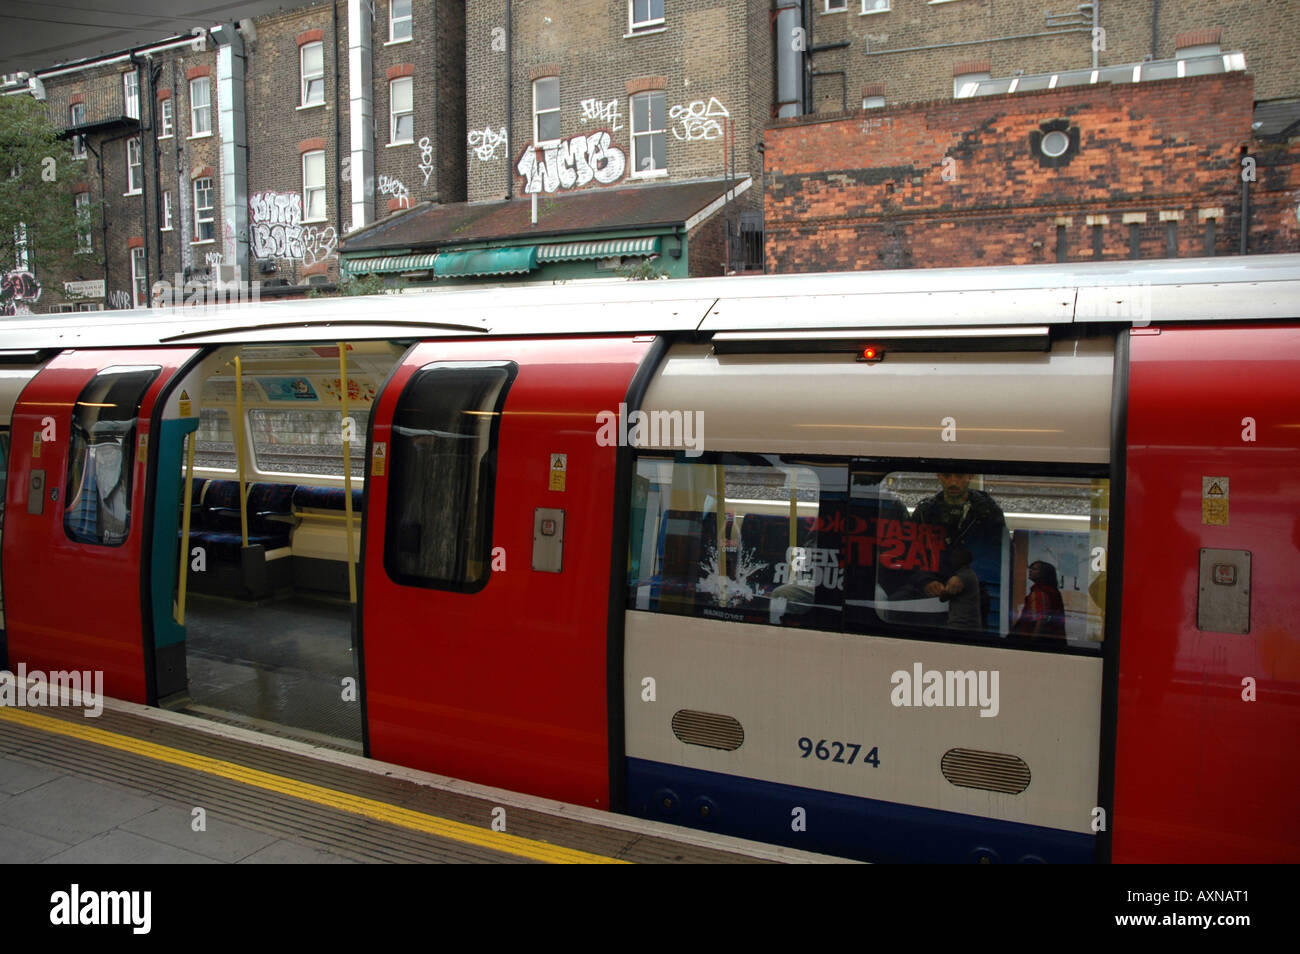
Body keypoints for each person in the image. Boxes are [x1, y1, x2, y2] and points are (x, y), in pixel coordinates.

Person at [910, 473, 1007, 626]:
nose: (953, 482)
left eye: (960, 476)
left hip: (974, 594)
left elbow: (998, 554)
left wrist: (966, 577)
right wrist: (926, 580)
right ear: (939, 476)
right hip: (932, 594)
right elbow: (913, 552)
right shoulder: (925, 512)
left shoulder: (988, 513)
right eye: (947, 476)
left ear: (970, 477)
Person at [1012, 560, 1067, 640]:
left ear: (1044, 574)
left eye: (1034, 569)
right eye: (1030, 568)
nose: (1030, 571)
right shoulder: (1051, 591)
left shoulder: (1040, 592)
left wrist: (1034, 641)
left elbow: (1041, 620)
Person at [938, 546, 981, 631]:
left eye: (954, 557)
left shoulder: (960, 578)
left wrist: (940, 589)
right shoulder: (970, 574)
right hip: (969, 625)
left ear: (961, 560)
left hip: (961, 625)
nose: (950, 559)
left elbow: (943, 597)